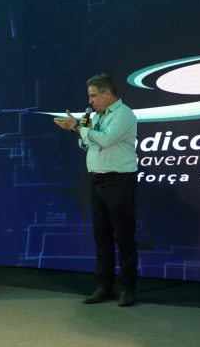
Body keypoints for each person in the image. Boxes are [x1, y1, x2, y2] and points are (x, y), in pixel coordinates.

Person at [53, 73, 139, 307]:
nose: (90, 101)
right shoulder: (98, 116)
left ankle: (128, 288)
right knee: (101, 237)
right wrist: (79, 130)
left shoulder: (123, 114)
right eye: (89, 96)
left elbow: (105, 140)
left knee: (124, 237)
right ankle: (104, 286)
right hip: (98, 183)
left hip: (119, 182)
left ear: (107, 93)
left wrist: (78, 128)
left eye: (93, 96)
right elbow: (87, 144)